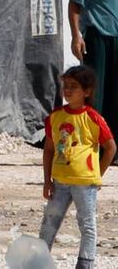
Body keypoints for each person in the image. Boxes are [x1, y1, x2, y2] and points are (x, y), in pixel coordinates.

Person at [39, 65, 116, 269]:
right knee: (49, 223)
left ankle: (85, 264)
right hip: (60, 182)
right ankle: (38, 261)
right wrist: (47, 180)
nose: (68, 90)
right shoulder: (55, 117)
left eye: (74, 86)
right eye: (65, 85)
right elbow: (48, 149)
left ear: (87, 92)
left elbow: (110, 147)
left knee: (87, 225)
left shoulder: (93, 118)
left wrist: (97, 175)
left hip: (84, 183)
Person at [69, 0, 118, 139]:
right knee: (94, 93)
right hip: (97, 37)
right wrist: (76, 35)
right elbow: (75, 3)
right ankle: (92, 144)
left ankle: (113, 148)